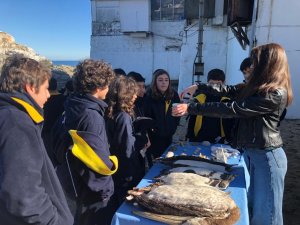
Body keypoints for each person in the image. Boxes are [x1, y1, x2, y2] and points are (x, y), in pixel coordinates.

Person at [173, 43, 293, 225]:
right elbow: (228, 90)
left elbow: (233, 108)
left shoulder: (273, 94)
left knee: (267, 214)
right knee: (253, 206)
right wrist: (199, 87)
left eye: (255, 63)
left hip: (268, 157)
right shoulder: (257, 88)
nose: (251, 67)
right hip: (255, 153)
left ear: (267, 64)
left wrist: (192, 108)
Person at [0, 56, 73, 225]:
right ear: (30, 87)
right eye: (46, 89)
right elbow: (22, 195)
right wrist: (54, 221)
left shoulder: (7, 114)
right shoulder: (16, 122)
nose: (49, 95)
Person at [62, 59, 117, 225]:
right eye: (108, 85)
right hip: (93, 191)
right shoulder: (91, 115)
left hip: (76, 183)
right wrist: (113, 164)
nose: (109, 89)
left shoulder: (73, 104)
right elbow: (99, 161)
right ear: (99, 87)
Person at [106, 75, 148, 209]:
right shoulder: (123, 117)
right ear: (125, 94)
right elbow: (127, 147)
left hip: (116, 168)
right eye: (133, 92)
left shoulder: (111, 112)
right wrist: (142, 140)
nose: (136, 95)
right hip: (126, 172)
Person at [186, 69, 234, 143]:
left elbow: (230, 122)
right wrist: (190, 136)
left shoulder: (227, 100)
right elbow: (192, 119)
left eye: (218, 84)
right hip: (200, 136)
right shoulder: (200, 98)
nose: (214, 87)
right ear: (207, 83)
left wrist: (229, 138)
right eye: (211, 83)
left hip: (220, 138)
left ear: (224, 83)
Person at [144, 69, 180, 167]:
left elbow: (178, 113)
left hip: (168, 133)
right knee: (156, 161)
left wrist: (173, 127)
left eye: (166, 80)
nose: (164, 82)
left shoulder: (173, 94)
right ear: (155, 81)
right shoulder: (148, 96)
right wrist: (151, 130)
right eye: (160, 80)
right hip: (154, 136)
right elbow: (146, 116)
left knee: (168, 158)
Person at [42, 77, 65, 163]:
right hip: (59, 129)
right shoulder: (63, 98)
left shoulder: (43, 99)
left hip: (45, 129)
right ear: (56, 86)